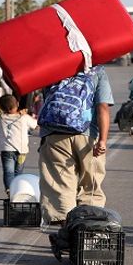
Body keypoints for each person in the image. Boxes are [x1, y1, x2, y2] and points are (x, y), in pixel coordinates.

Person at [39, 65, 113, 225]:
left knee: (60, 185)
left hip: (54, 134)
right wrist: (103, 140)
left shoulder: (53, 65)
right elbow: (103, 107)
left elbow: (46, 99)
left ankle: (66, 230)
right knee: (90, 186)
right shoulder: (97, 71)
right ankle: (87, 229)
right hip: (87, 136)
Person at [0, 94, 38, 195]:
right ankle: (17, 190)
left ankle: (9, 190)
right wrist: (24, 114)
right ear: (17, 104)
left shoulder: (1, 118)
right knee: (18, 172)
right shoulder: (24, 118)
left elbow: (2, 114)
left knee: (8, 172)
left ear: (1, 107)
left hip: (7, 149)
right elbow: (35, 125)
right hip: (22, 151)